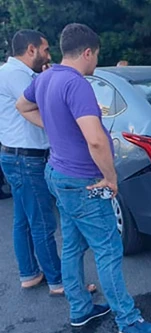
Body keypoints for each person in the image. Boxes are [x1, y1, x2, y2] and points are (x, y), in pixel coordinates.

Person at [16, 23, 151, 333]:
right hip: (85, 180)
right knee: (109, 249)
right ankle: (127, 320)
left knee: (72, 245)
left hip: (58, 174)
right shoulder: (77, 85)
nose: (96, 62)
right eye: (96, 56)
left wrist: (56, 127)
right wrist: (110, 178)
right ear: (87, 52)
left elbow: (23, 106)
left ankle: (80, 310)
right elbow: (97, 141)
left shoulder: (46, 77)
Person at [0, 30, 62, 293]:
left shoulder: (12, 72)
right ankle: (59, 281)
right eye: (45, 50)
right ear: (31, 49)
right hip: (26, 158)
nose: (48, 55)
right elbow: (44, 102)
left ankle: (30, 273)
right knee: (42, 222)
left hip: (15, 155)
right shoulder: (16, 75)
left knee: (24, 220)